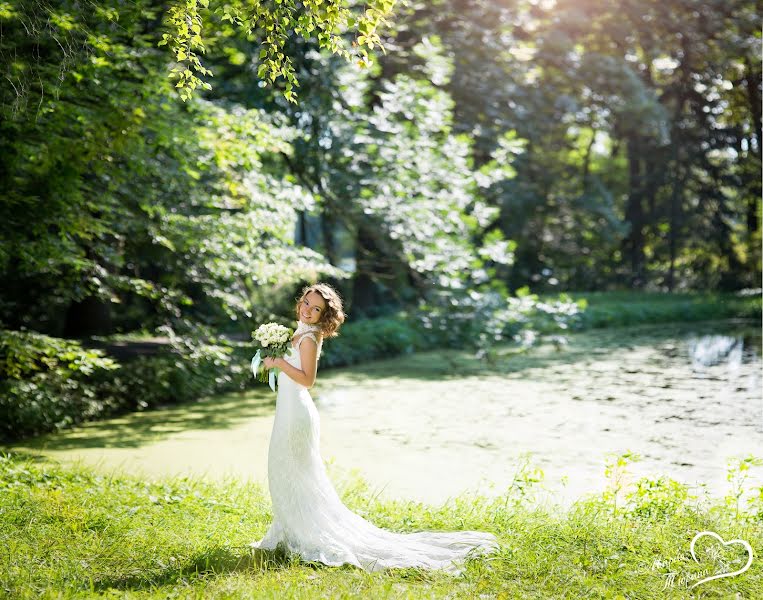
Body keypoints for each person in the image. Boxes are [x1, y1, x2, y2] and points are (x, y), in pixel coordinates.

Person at [251, 282, 500, 574]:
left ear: (323, 315)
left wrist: (278, 361)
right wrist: (274, 361)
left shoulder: (309, 338)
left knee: (296, 472)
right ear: (300, 302)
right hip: (289, 409)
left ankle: (304, 534)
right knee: (288, 471)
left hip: (297, 416)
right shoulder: (299, 332)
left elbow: (307, 380)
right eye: (307, 303)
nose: (308, 310)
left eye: (316, 308)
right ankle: (289, 532)